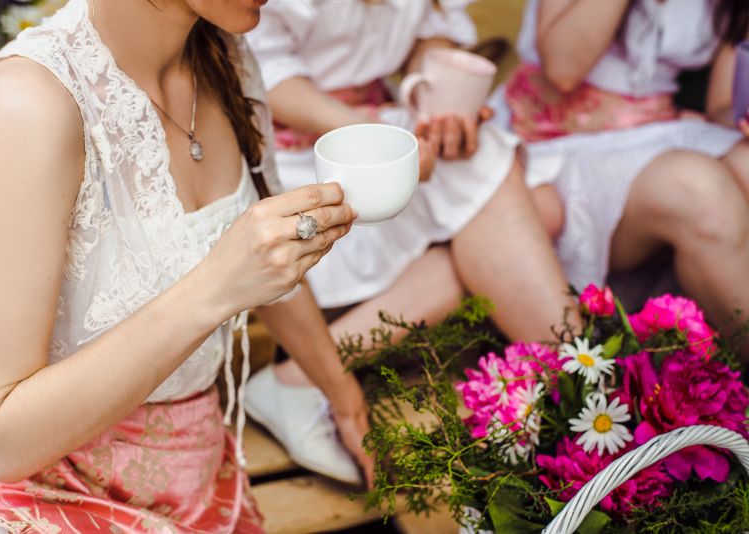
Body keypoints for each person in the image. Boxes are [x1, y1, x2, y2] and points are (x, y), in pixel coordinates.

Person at [0, 0, 375, 530]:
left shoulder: (227, 56)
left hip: (205, 485)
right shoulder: (27, 105)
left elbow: (267, 255)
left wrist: (345, 399)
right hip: (57, 499)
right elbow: (3, 440)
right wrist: (216, 286)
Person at [243, 0, 577, 484]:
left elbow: (430, 34)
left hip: (385, 124)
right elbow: (264, 71)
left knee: (528, 199)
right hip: (302, 150)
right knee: (516, 209)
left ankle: (302, 374)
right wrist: (380, 139)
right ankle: (583, 385)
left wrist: (438, 103)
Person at [488, 0, 749, 351]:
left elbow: (723, 104)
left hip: (655, 133)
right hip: (551, 146)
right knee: (699, 191)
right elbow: (564, 67)